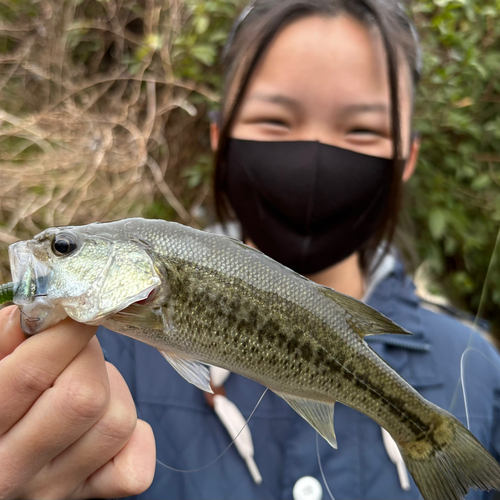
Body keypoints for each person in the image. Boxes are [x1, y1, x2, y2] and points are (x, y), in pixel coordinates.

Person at [0, 0, 499, 499]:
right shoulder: (96, 364)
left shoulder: (481, 367)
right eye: (275, 121)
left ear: (405, 159)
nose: (313, 158)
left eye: (362, 129)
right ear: (221, 136)